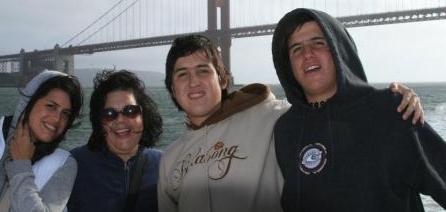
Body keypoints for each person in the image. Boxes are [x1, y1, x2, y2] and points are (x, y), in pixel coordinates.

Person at [157, 34, 425, 212]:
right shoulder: (169, 159)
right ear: (172, 88)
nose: (193, 82)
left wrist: (387, 102)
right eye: (182, 75)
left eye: (203, 71)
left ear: (224, 80)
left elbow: (330, 110)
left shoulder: (273, 117)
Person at [271, 8, 446, 211]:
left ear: (339, 50)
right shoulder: (285, 129)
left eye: (318, 43)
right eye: (297, 49)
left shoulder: (391, 110)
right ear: (288, 66)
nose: (308, 54)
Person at [67, 69, 163, 212]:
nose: (120, 121)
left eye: (130, 111)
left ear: (144, 116)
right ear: (99, 122)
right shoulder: (73, 164)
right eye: (109, 114)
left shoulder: (166, 165)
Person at [0, 70, 83, 212]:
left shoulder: (62, 163)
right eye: (51, 106)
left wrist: (21, 166)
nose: (57, 119)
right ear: (28, 104)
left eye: (66, 114)